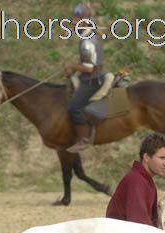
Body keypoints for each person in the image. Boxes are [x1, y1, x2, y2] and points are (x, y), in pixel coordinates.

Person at [106, 132, 165, 227]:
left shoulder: (145, 180)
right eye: (162, 158)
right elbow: (139, 226)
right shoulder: (136, 181)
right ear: (146, 157)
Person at [65, 3, 105, 153]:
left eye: (76, 20)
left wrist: (72, 66)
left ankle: (83, 139)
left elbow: (89, 68)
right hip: (91, 75)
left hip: (92, 79)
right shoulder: (90, 35)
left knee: (74, 107)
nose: (73, 23)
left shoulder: (87, 41)